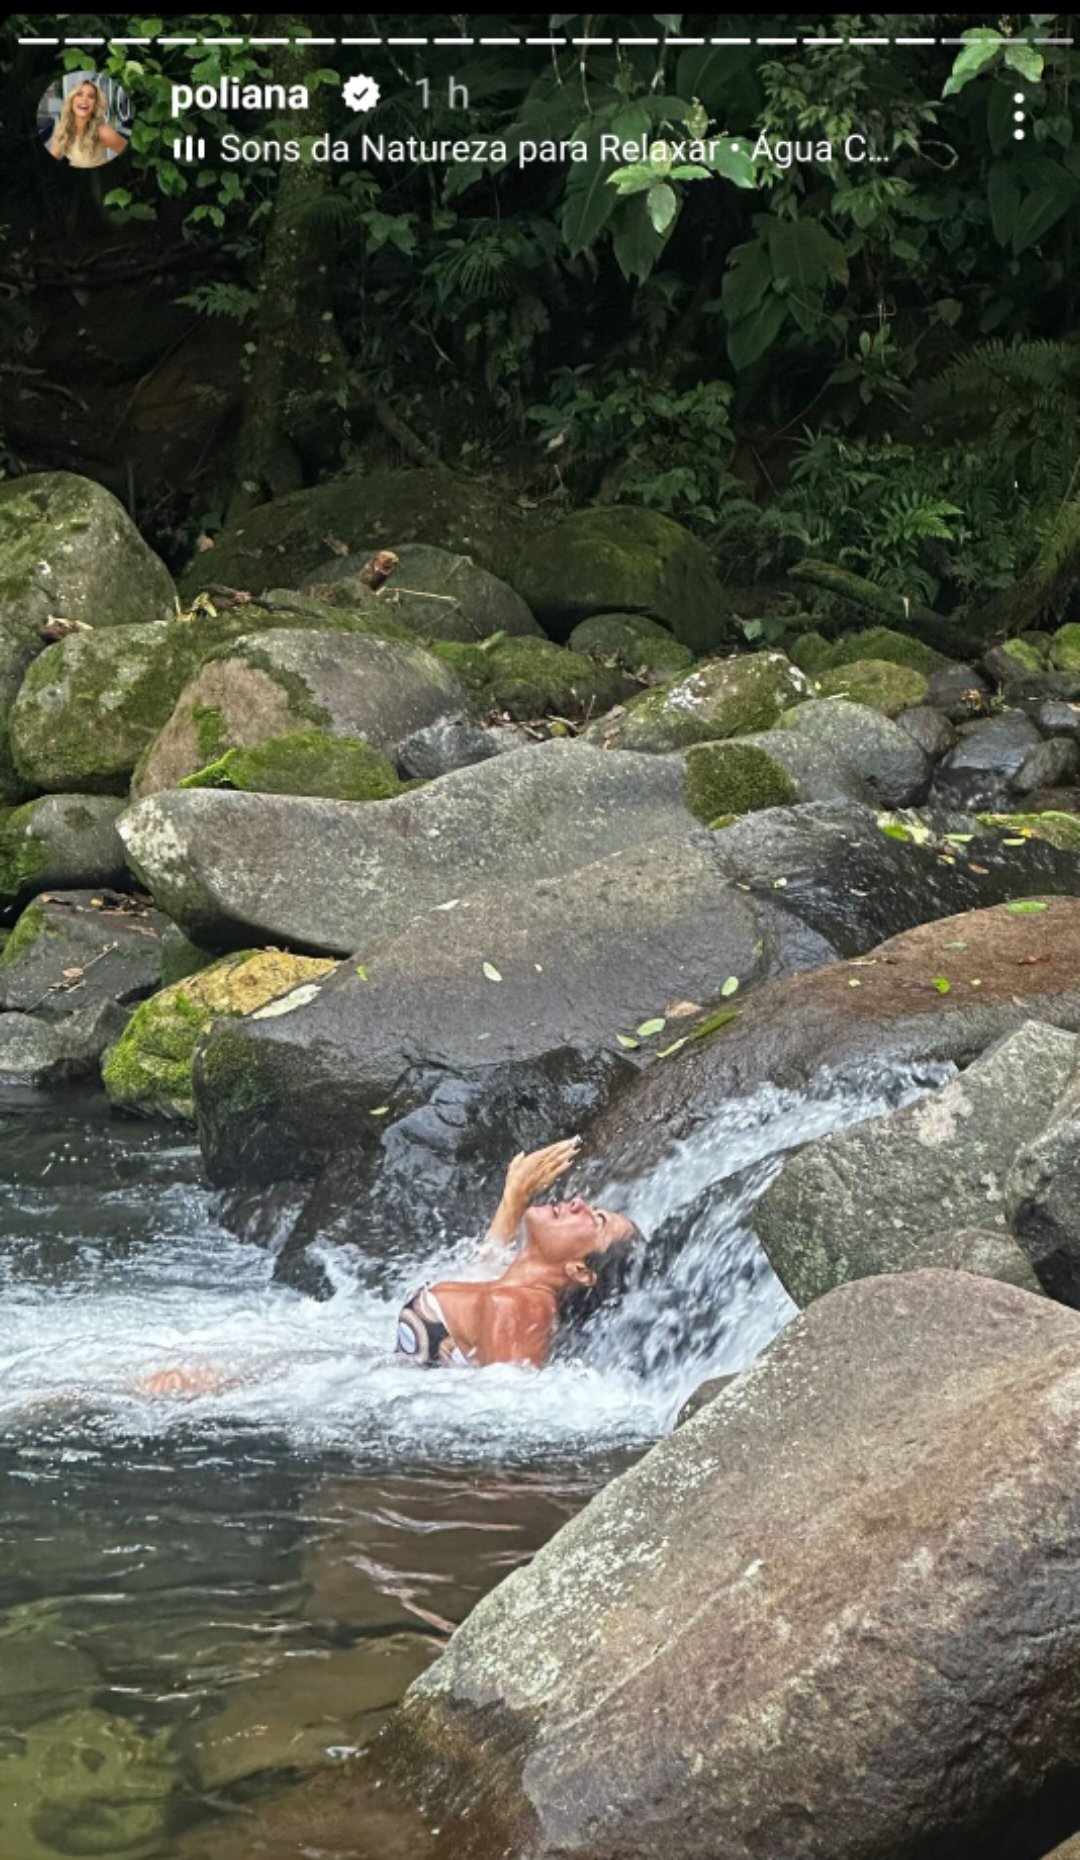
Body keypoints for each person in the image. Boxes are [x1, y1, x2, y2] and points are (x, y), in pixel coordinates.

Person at [395, 1137, 643, 1370]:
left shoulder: (522, 1308)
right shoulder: (514, 1292)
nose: (578, 1203)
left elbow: (499, 1406)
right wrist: (514, 1198)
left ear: (580, 1271)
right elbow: (483, 1271)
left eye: (597, 1220)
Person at [47, 78, 127, 168]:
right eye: (79, 94)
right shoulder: (62, 128)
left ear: (95, 105)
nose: (84, 99)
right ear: (72, 100)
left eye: (91, 96)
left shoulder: (103, 131)